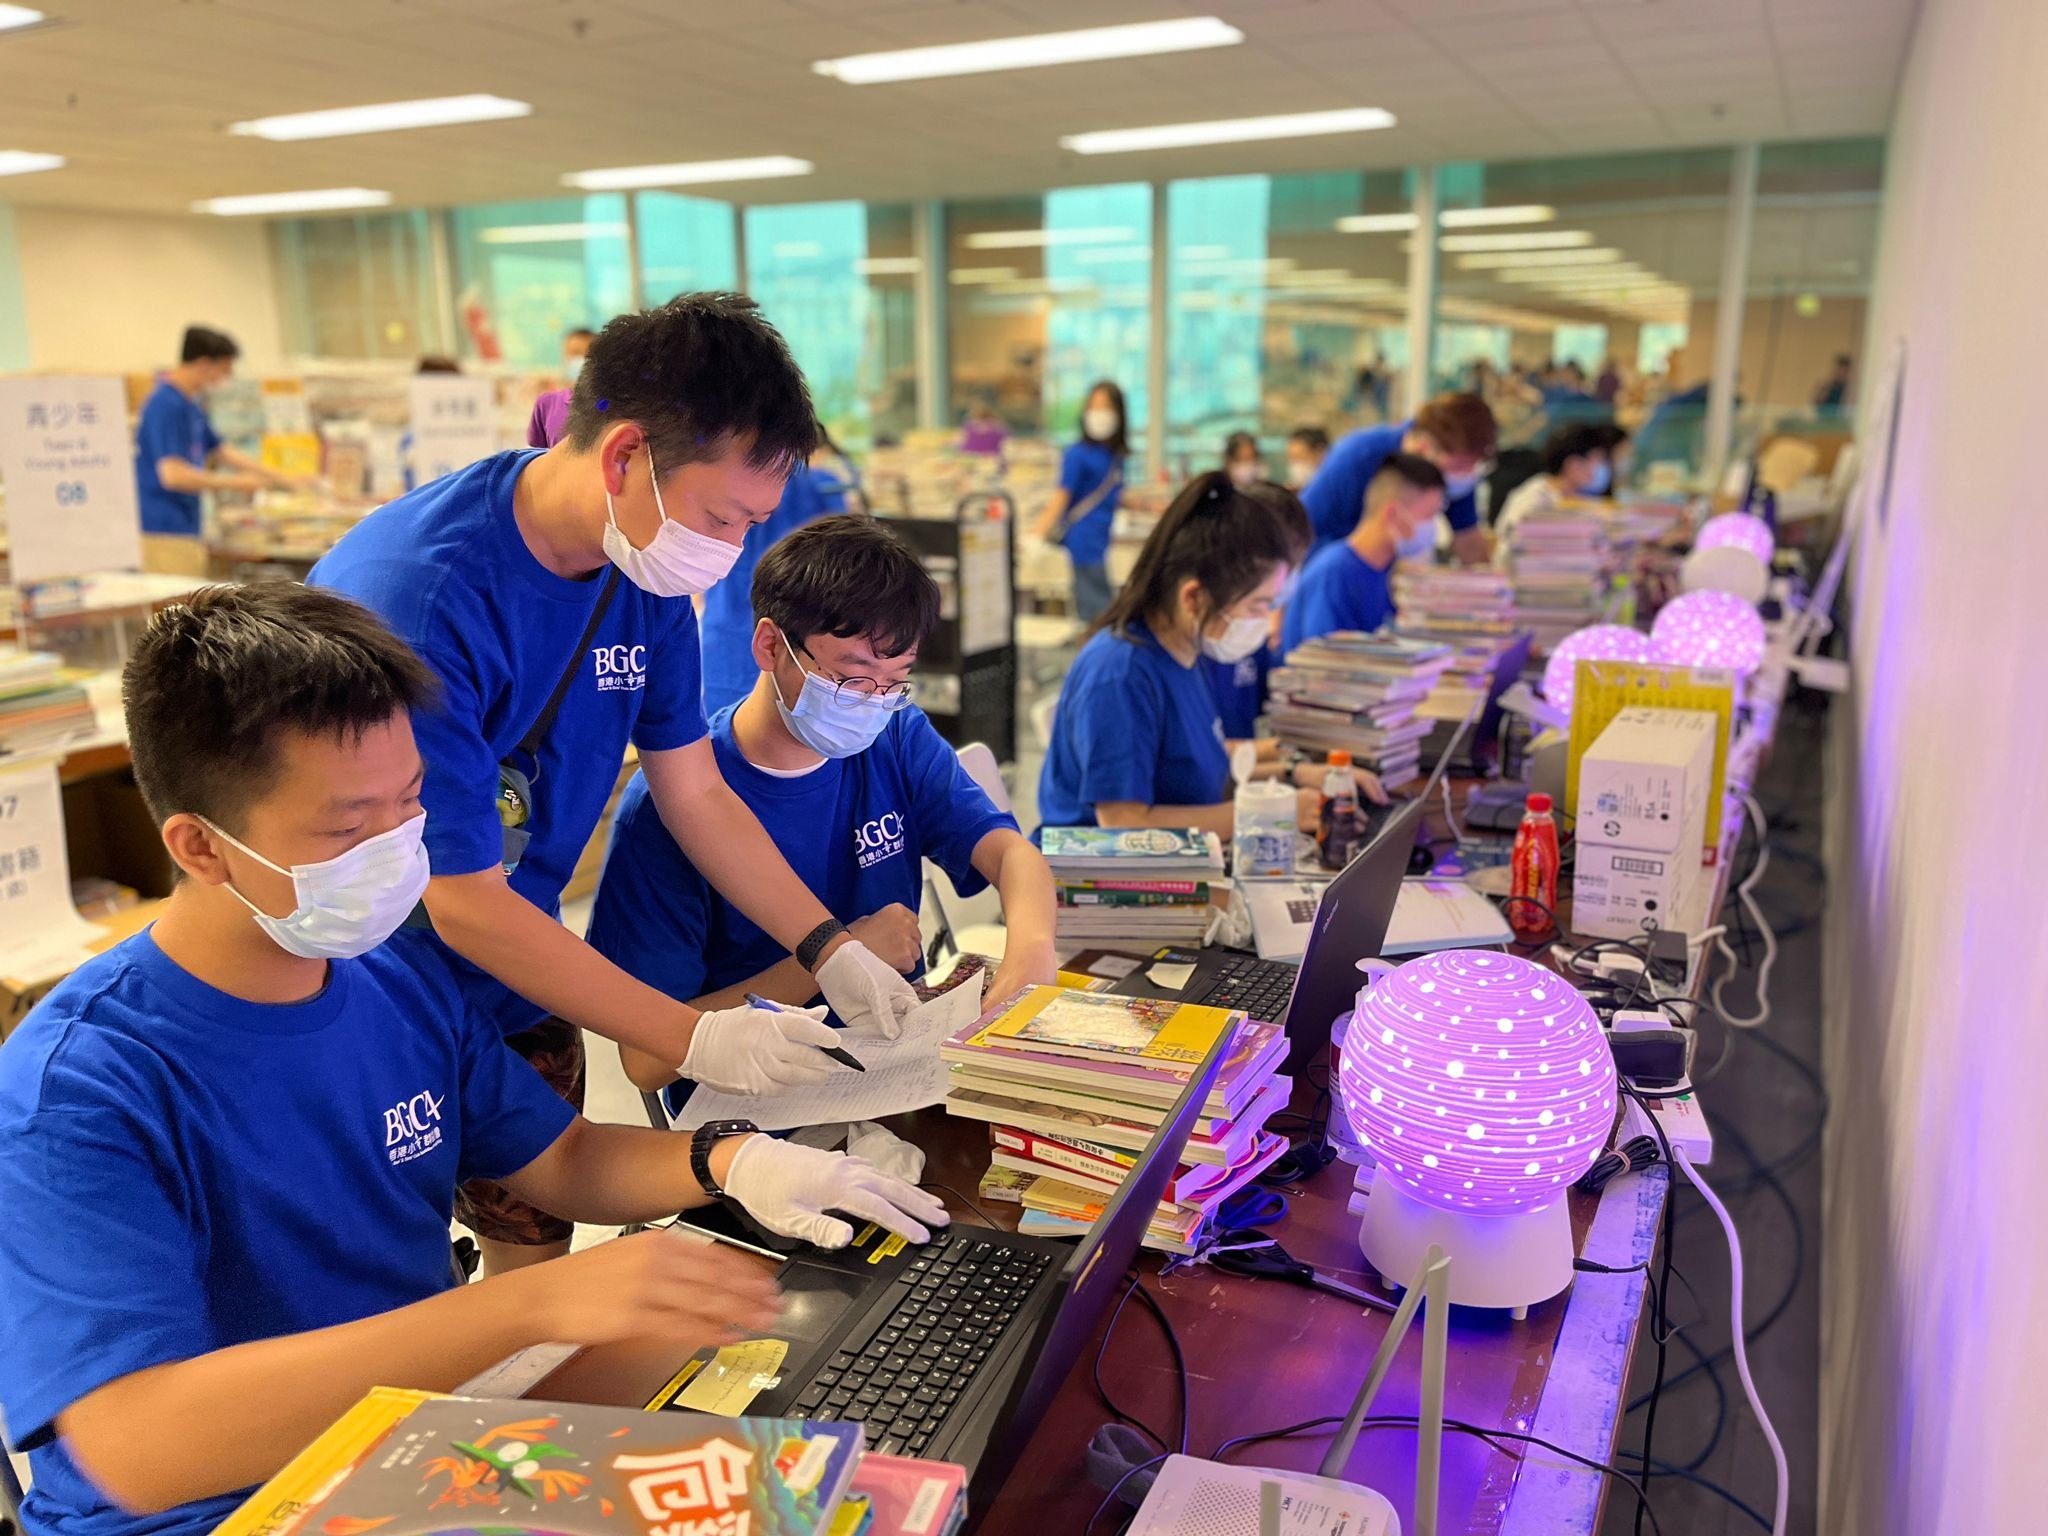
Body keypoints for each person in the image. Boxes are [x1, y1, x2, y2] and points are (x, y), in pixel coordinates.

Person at [0, 583, 944, 1536]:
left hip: (409, 1452)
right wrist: (526, 1306)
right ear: (201, 847)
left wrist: (732, 1161)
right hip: (221, 1511)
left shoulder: (393, 977)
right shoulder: (81, 1087)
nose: (397, 849)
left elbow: (563, 1157)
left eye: (411, 802)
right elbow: (142, 1447)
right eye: (346, 828)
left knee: (836, 1436)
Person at [313, 295, 925, 1276]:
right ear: (625, 456)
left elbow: (697, 794)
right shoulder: (424, 597)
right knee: (388, 1285)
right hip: (369, 995)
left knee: (534, 1263)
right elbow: (460, 902)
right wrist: (694, 1038)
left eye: (751, 523)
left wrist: (827, 947)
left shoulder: (640, 573)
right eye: (722, 517)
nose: (730, 551)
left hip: (522, 972)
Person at [591, 514, 1058, 1108]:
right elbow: (647, 1062)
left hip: (898, 1069)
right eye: (850, 678)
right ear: (770, 646)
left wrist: (1032, 950)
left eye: (895, 681)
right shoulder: (668, 808)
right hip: (757, 1107)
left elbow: (1011, 853)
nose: (872, 703)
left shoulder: (894, 735)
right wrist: (832, 958)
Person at [1039, 473, 1387, 839]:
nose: (1264, 621)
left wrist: (1293, 773)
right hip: (1106, 869)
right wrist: (1272, 813)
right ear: (1193, 598)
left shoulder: (1187, 652)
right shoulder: (1120, 673)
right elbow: (1124, 822)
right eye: (1257, 606)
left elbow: (1202, 764)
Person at [698, 424, 859, 716]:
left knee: (729, 727)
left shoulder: (729, 479)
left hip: (732, 632)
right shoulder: (823, 486)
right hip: (799, 637)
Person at [133, 325, 305, 572]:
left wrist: (285, 479)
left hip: (187, 524)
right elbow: (173, 475)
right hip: (163, 529)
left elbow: (222, 451)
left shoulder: (190, 404)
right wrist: (237, 483)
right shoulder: (165, 405)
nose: (226, 379)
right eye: (224, 370)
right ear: (204, 364)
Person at [1300, 392, 1497, 565]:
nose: (1465, 474)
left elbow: (1469, 543)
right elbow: (1300, 534)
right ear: (1423, 449)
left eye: (1473, 465)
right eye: (1460, 465)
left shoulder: (1457, 476)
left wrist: (1494, 585)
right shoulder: (1358, 458)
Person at [1281, 454, 1446, 652]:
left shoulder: (1385, 570)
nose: (1432, 528)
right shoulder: (1334, 573)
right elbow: (1329, 659)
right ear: (1392, 514)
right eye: (1428, 515)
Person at [1033, 380, 1129, 626]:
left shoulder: (1115, 456)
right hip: (1083, 545)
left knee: (1102, 614)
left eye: (1105, 407)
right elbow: (1061, 497)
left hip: (1102, 543)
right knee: (1096, 619)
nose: (1099, 414)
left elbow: (1115, 496)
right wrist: (1036, 535)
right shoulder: (1077, 454)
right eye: (1093, 406)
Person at [1492, 423, 1625, 546]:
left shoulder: (1577, 498)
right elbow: (1513, 541)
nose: (1602, 467)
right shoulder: (1534, 497)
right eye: (1598, 459)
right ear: (1573, 463)